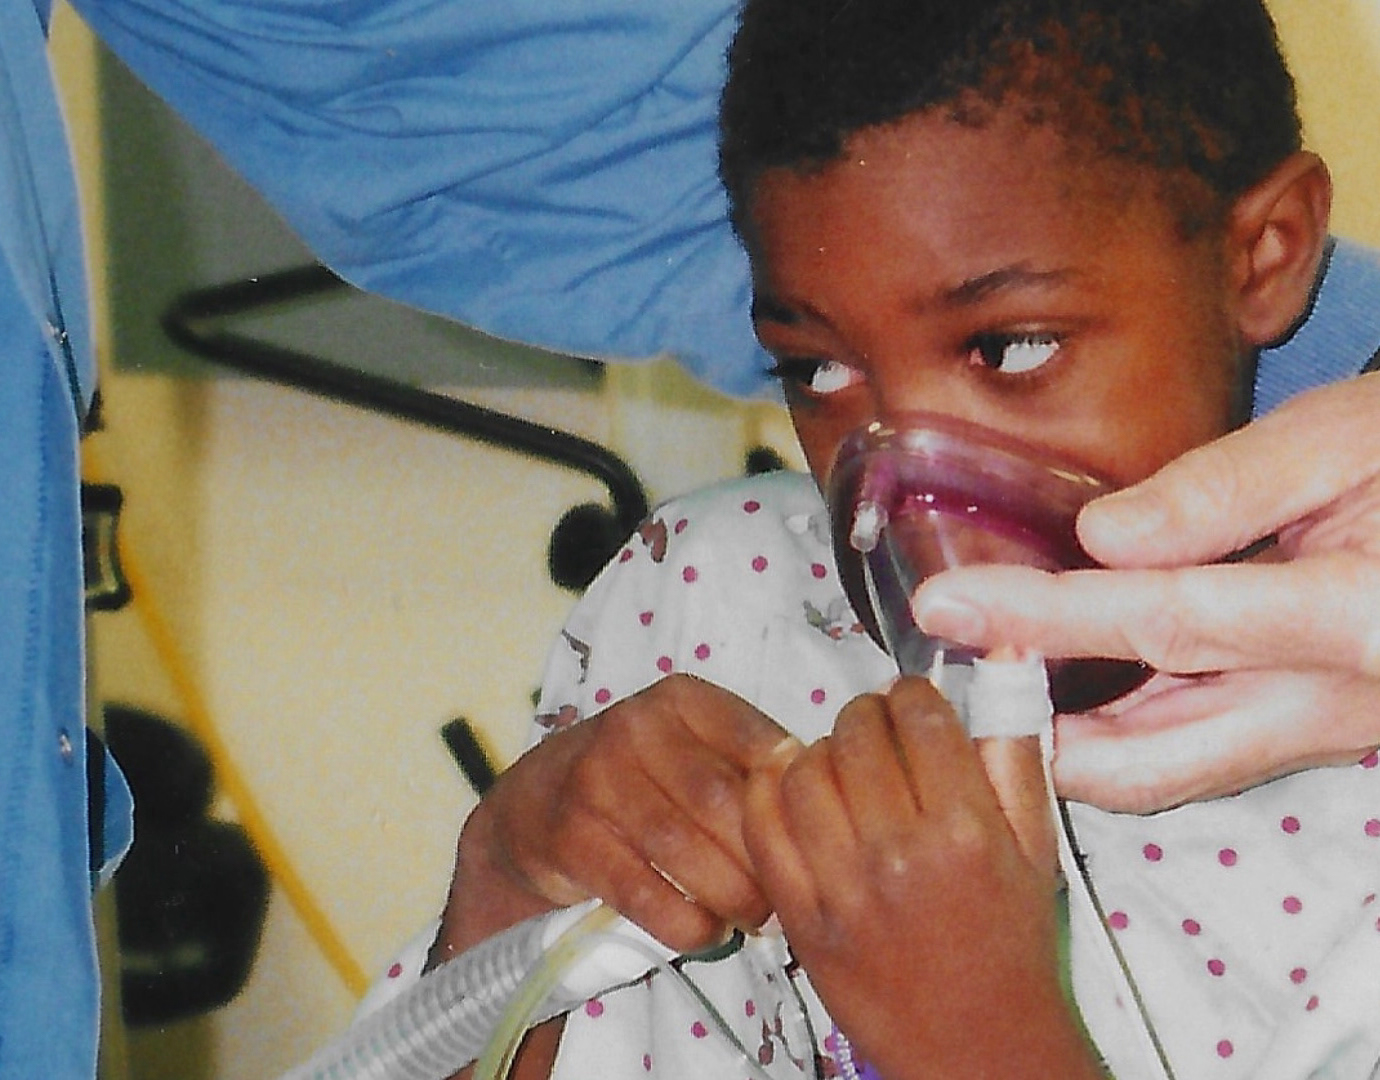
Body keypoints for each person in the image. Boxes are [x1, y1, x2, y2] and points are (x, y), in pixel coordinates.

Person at [420, 2, 1380, 1078]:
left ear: (1263, 255)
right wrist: (506, 894)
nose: (909, 499)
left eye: (1010, 348)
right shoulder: (723, 614)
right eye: (819, 370)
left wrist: (980, 1040)